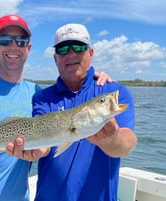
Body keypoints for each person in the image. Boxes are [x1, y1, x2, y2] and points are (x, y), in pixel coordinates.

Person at [0, 14, 112, 201]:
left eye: (20, 40)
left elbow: (47, 134)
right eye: (4, 40)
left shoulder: (37, 93)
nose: (13, 46)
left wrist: (96, 80)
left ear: (28, 48)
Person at [7, 23, 137, 201]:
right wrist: (37, 150)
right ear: (55, 58)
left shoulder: (113, 92)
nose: (71, 54)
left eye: (78, 46)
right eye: (63, 49)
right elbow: (44, 140)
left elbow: (127, 143)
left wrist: (111, 139)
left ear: (90, 53)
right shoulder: (42, 97)